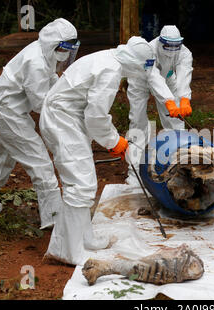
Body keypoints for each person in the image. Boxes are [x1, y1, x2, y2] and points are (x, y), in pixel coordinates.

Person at [39, 36, 157, 266]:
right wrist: (115, 142)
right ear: (135, 64)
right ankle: (69, 251)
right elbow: (96, 116)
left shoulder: (109, 58)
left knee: (84, 182)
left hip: (68, 118)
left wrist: (113, 140)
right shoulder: (110, 71)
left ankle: (85, 238)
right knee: (79, 184)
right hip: (61, 120)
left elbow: (92, 113)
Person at [0, 18, 78, 230]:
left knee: (1, 163)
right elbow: (41, 104)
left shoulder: (44, 53)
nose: (65, 54)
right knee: (41, 163)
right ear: (52, 43)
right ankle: (55, 221)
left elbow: (52, 83)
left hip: (6, 111)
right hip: (7, 115)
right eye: (63, 48)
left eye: (68, 49)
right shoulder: (35, 62)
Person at [125, 25, 193, 186]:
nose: (172, 49)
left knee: (176, 123)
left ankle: (178, 165)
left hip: (169, 81)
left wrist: (184, 99)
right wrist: (168, 101)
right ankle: (134, 171)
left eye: (176, 46)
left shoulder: (184, 52)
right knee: (137, 122)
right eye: (168, 46)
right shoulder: (149, 50)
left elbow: (184, 74)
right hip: (140, 80)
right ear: (160, 42)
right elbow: (153, 77)